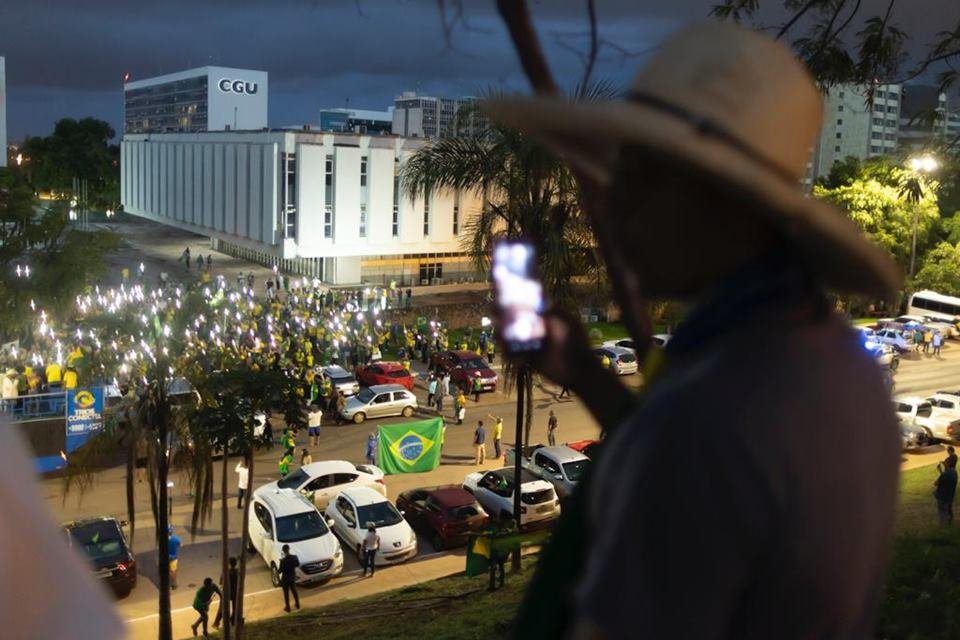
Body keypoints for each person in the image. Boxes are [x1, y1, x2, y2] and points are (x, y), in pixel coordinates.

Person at [486, 23, 904, 639]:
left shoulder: (706, 421)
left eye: (641, 177)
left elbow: (685, 460)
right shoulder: (841, 364)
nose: (612, 202)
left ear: (721, 197)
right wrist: (584, 375)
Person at [212, 557, 239, 629]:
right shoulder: (237, 572)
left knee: (222, 608)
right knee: (235, 607)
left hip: (226, 593)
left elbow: (221, 583)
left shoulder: (225, 572)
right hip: (235, 593)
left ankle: (216, 623)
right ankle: (233, 621)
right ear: (235, 564)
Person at [935, 458, 958, 525]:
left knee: (942, 511)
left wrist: (941, 471)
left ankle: (943, 526)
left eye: (945, 463)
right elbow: (944, 479)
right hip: (950, 495)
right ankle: (949, 523)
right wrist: (941, 471)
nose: (944, 464)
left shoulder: (945, 474)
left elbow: (936, 483)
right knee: (949, 509)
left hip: (943, 496)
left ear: (948, 464)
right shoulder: (954, 472)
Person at [278, 544, 300, 612]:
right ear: (289, 549)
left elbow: (280, 571)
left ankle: (288, 607)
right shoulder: (294, 557)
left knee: (286, 593)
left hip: (285, 578)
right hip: (292, 576)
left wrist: (280, 562)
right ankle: (297, 604)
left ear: (283, 551)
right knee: (294, 591)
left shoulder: (283, 561)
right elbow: (297, 564)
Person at [168, 525, 182, 590]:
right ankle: (174, 584)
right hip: (173, 558)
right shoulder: (176, 538)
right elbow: (180, 545)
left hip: (165, 557)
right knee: (173, 571)